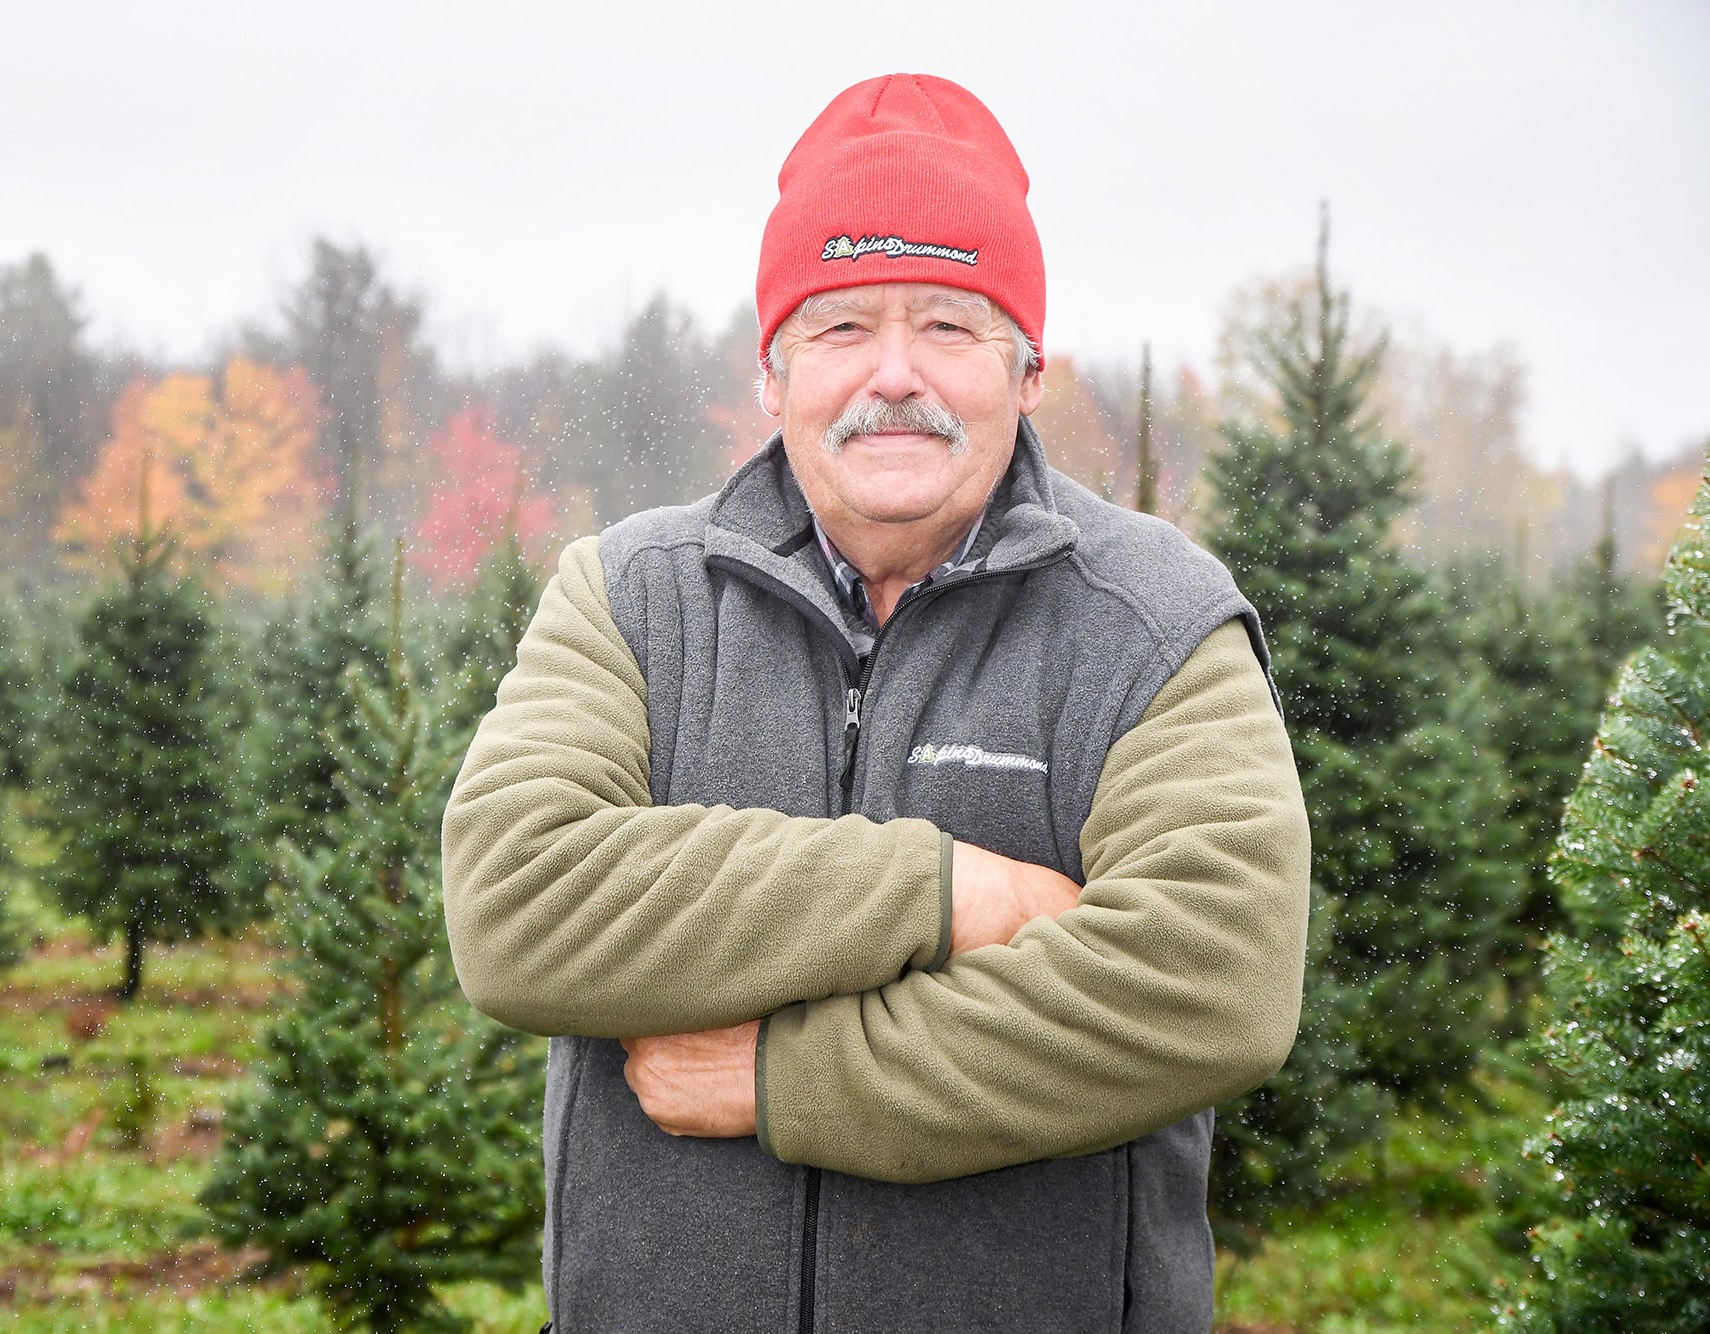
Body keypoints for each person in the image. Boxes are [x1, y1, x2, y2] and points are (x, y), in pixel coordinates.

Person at [443, 72, 1309, 1333]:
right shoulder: (630, 595)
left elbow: (1208, 978)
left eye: (949, 326)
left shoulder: (1151, 621)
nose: (892, 374)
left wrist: (790, 1079)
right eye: (842, 325)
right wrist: (944, 891)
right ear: (772, 372)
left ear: (1024, 372)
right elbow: (518, 901)